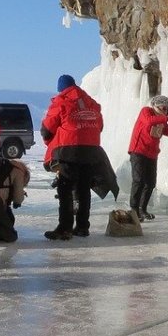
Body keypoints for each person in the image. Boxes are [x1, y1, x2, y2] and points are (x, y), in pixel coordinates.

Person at [41, 74, 119, 240]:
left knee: (65, 188)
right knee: (83, 188)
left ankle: (65, 227)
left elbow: (47, 129)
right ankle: (83, 227)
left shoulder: (61, 101)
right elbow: (100, 126)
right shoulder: (92, 104)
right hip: (91, 150)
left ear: (61, 88)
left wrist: (52, 143)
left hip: (69, 150)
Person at [127, 95, 168, 221]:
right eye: (163, 108)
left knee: (150, 183)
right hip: (138, 151)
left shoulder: (161, 120)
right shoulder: (146, 111)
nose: (165, 110)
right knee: (139, 180)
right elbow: (149, 121)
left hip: (152, 154)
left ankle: (142, 209)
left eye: (167, 109)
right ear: (156, 106)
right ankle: (133, 209)